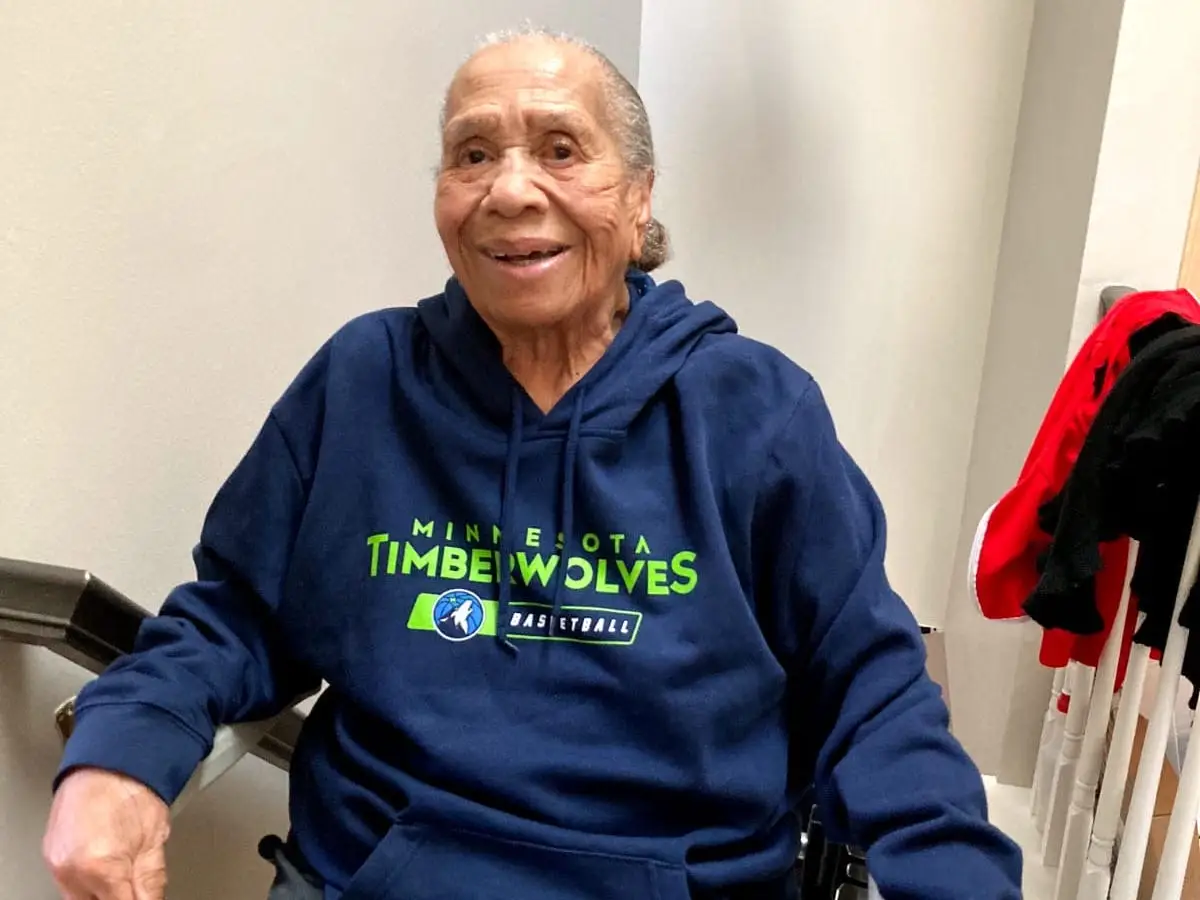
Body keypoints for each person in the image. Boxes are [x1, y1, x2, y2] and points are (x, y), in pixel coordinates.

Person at [41, 27, 1023, 900]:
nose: (510, 190)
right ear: (442, 197)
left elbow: (870, 692)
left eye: (560, 149)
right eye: (473, 154)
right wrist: (119, 756)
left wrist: (953, 872)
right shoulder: (363, 380)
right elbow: (236, 619)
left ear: (638, 201)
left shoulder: (753, 412)